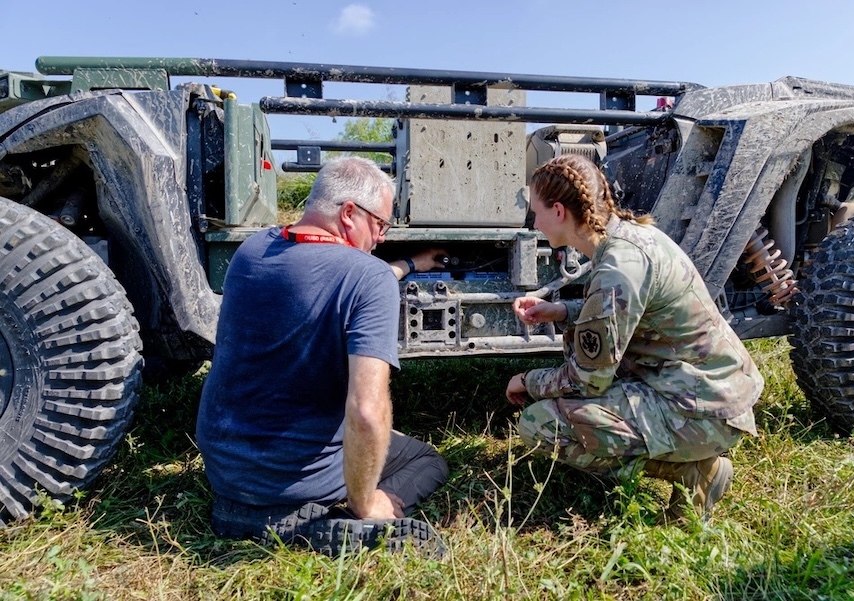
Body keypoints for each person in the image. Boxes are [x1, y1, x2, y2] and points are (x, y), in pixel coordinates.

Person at [196, 156, 449, 555]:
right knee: (427, 459)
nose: (381, 238)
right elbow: (366, 411)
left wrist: (407, 265)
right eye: (380, 224)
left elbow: (330, 274)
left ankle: (252, 510)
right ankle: (342, 518)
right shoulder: (367, 278)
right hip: (295, 480)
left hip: (226, 471)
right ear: (349, 213)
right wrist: (366, 501)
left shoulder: (252, 250)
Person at [505, 154, 763, 522]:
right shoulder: (628, 239)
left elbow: (588, 380)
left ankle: (692, 472)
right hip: (709, 390)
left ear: (559, 211)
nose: (535, 222)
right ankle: (688, 461)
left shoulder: (618, 267)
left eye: (537, 212)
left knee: (539, 423)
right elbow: (631, 315)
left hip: (706, 410)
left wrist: (528, 381)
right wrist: (562, 312)